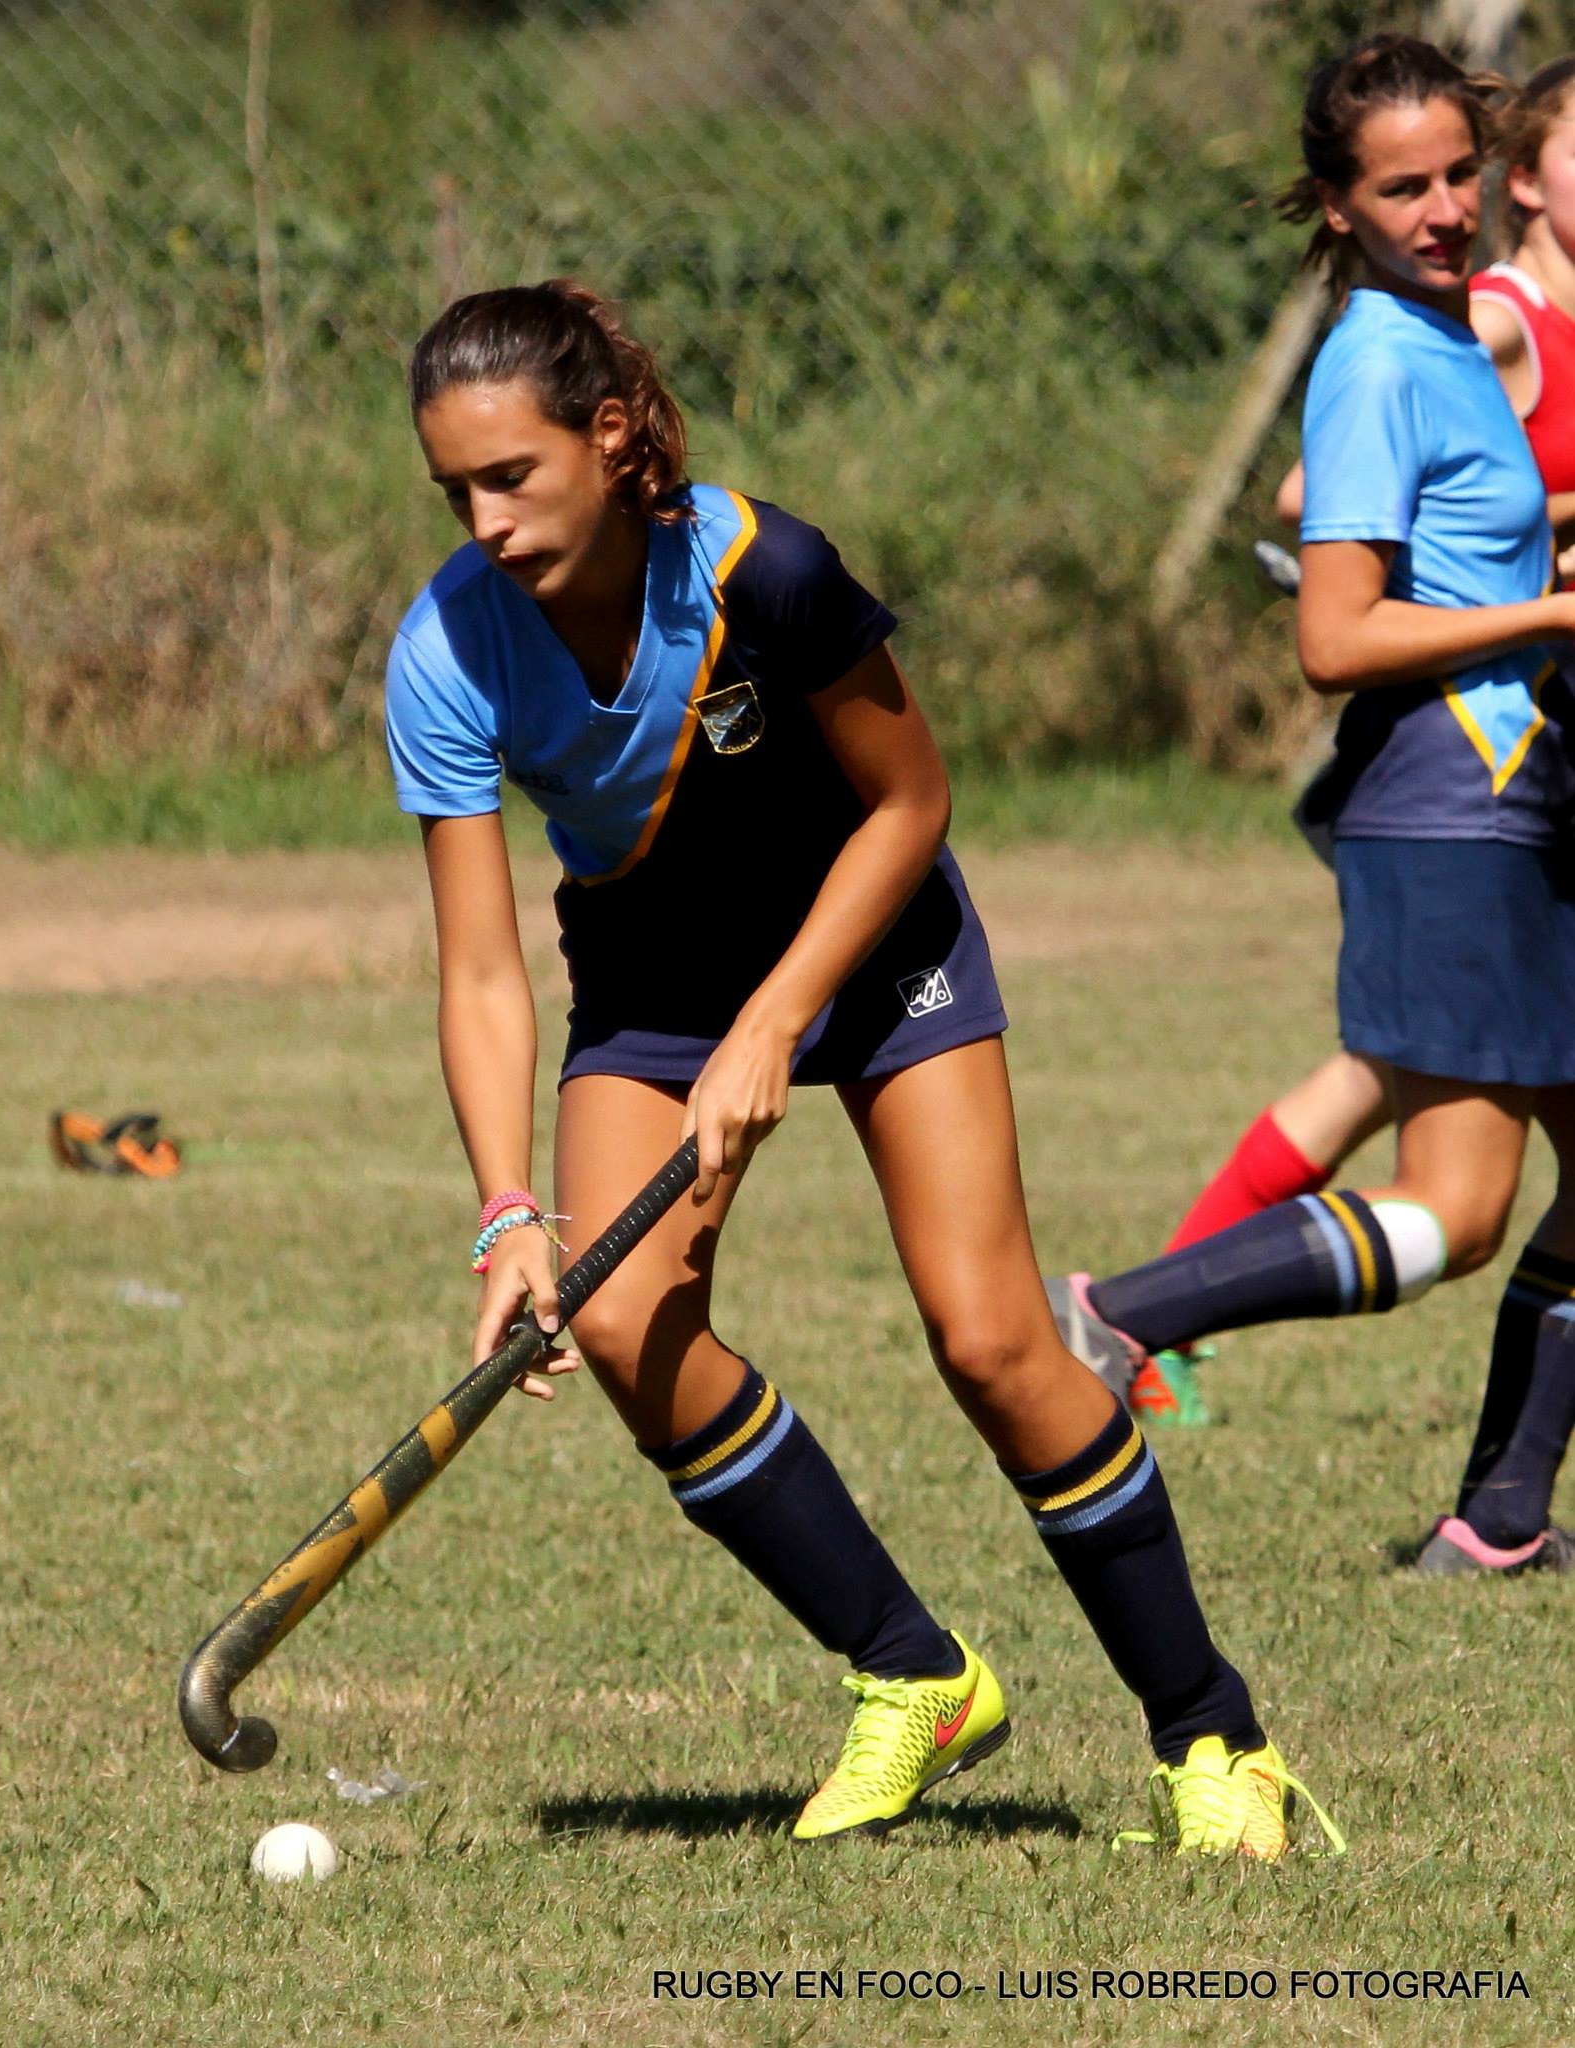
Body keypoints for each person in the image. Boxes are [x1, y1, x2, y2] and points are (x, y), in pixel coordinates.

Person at [384, 280, 1337, 1855]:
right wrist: (505, 1213)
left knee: (992, 1343)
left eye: (511, 477)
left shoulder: (768, 571)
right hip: (656, 979)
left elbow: (910, 804)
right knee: (619, 1324)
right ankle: (915, 1673)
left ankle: (1211, 1734)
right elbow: (480, 969)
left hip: (877, 937)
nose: (483, 523)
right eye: (454, 493)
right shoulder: (444, 648)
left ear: (607, 437)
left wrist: (776, 1020)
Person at [1050, 35, 1575, 1578]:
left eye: (1458, 174)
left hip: (1514, 796)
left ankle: (1494, 1526)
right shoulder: (1377, 357)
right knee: (1456, 1213)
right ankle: (1117, 1317)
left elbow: (1453, 569)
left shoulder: (1443, 333)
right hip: (1447, 811)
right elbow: (1333, 639)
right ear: (1336, 206)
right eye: (1401, 189)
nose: (1443, 209)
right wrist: (1551, 616)